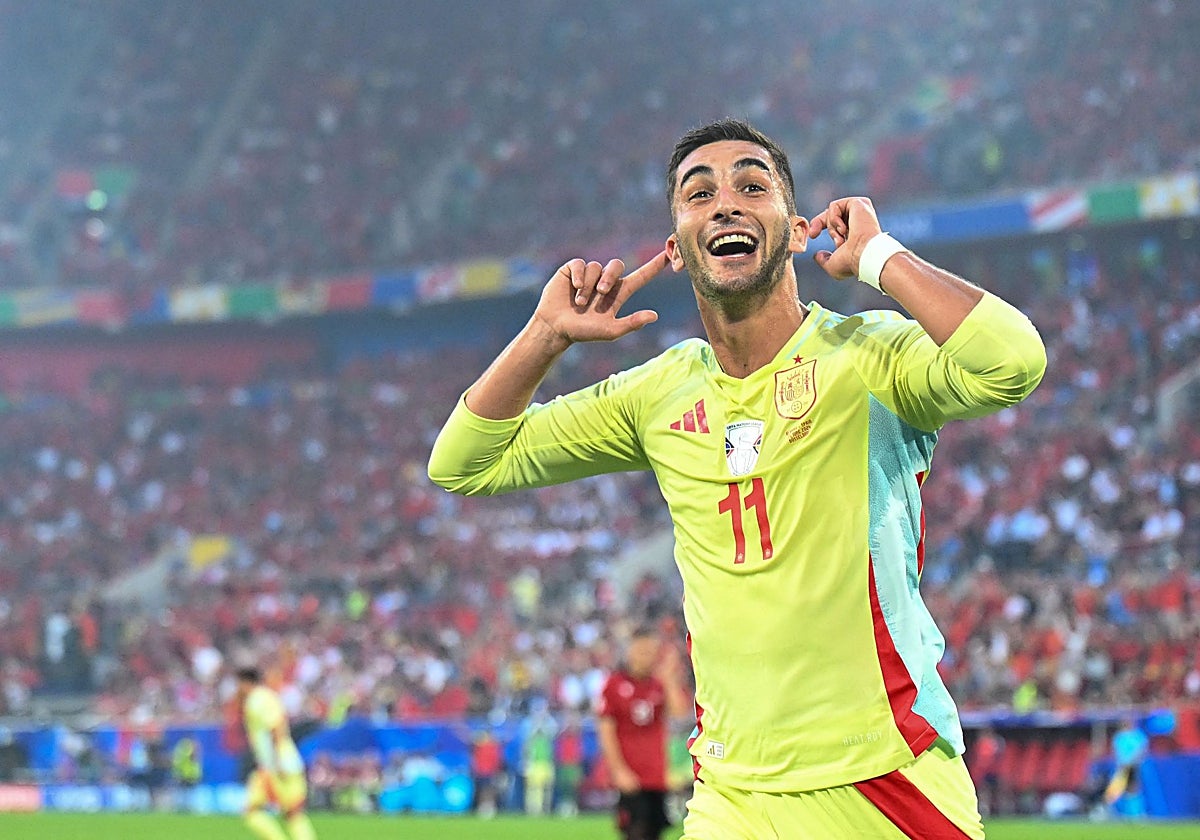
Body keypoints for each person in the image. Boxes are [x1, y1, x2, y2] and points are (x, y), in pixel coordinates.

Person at [428, 118, 1047, 838]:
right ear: (676, 248)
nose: (725, 203)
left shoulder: (868, 357)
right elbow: (462, 463)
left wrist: (880, 256)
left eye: (752, 187)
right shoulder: (656, 394)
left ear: (796, 231)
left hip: (883, 775)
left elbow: (1014, 363)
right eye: (700, 194)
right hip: (731, 793)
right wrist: (546, 335)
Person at [597, 626, 692, 840]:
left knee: (654, 832)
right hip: (630, 775)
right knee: (636, 832)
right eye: (641, 651)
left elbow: (680, 713)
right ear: (630, 651)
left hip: (657, 775)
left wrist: (669, 680)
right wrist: (618, 770)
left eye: (650, 652)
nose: (646, 658)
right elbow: (606, 731)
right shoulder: (614, 685)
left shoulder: (658, 684)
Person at [235, 666, 317, 840]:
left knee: (254, 812)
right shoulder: (267, 696)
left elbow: (276, 727)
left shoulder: (256, 700)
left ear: (245, 683)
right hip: (279, 763)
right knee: (293, 814)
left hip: (278, 764)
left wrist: (278, 760)